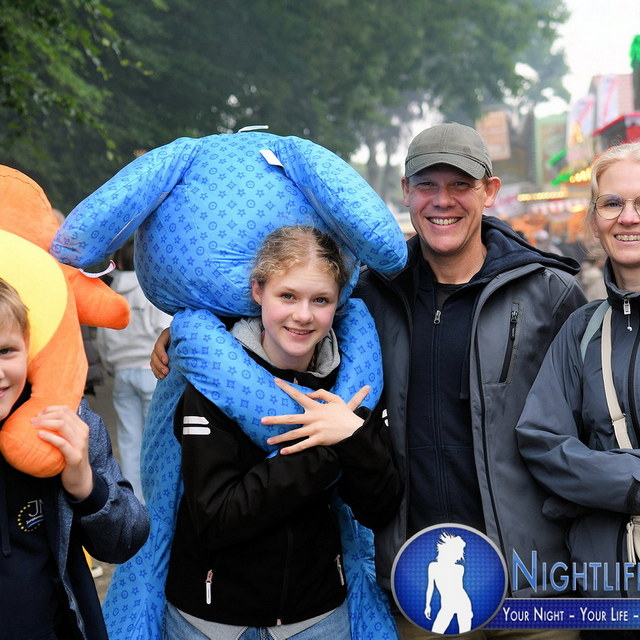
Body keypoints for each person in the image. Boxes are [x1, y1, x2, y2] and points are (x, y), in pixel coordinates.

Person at [152, 123, 586, 639]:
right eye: (427, 184)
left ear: (489, 191)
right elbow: (290, 311)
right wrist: (188, 329)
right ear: (405, 192)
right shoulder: (369, 296)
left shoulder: (548, 291)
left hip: (534, 576)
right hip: (417, 570)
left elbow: (585, 422)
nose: (442, 200)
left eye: (460, 185)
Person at [162, 225, 402, 640]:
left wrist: (357, 439)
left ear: (338, 303)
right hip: (209, 620)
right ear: (259, 291)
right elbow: (217, 518)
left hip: (316, 618)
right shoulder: (214, 379)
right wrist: (331, 447)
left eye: (320, 300)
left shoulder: (352, 384)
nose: (303, 315)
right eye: (287, 296)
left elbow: (380, 509)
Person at [516, 142, 640, 637]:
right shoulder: (582, 330)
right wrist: (631, 484)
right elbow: (543, 443)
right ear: (593, 219)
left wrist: (592, 488)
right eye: (612, 203)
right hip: (604, 602)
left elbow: (570, 468)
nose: (628, 217)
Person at [0, 278, 150, 640]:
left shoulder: (67, 423)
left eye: (5, 351)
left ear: (29, 348)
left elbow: (127, 540)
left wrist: (86, 486)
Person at [96, 239, 170, 501]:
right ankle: (156, 500)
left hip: (122, 373)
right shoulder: (150, 291)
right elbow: (163, 328)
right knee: (156, 441)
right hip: (152, 372)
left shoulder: (111, 293)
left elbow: (103, 340)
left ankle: (133, 502)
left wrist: (111, 366)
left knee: (129, 441)